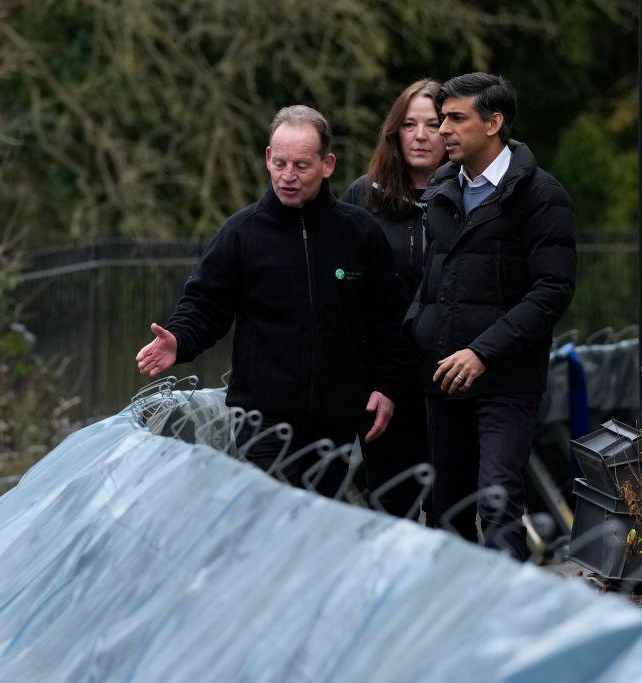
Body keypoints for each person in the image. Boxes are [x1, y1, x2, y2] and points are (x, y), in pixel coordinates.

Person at [135, 105, 406, 498]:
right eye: (279, 163)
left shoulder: (359, 233)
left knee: (315, 529)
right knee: (269, 524)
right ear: (267, 159)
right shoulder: (242, 233)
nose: (288, 176)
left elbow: (387, 318)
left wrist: (387, 385)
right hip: (261, 417)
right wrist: (178, 340)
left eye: (301, 165)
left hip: (336, 421)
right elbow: (206, 303)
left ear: (327, 164)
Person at [405, 73, 576, 560]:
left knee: (498, 505)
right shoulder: (440, 189)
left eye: (456, 119)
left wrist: (483, 352)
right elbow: (433, 279)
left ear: (494, 122)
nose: (442, 132)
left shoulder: (542, 196)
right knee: (445, 510)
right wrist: (419, 332)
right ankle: (452, 624)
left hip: (505, 381)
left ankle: (514, 625)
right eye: (442, 121)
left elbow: (552, 292)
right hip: (440, 379)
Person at [341, 79, 446, 519]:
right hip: (385, 382)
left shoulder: (477, 198)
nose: (420, 135)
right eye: (409, 124)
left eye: (433, 124)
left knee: (453, 511)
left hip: (452, 377)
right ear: (395, 131)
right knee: (391, 508)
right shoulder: (363, 198)